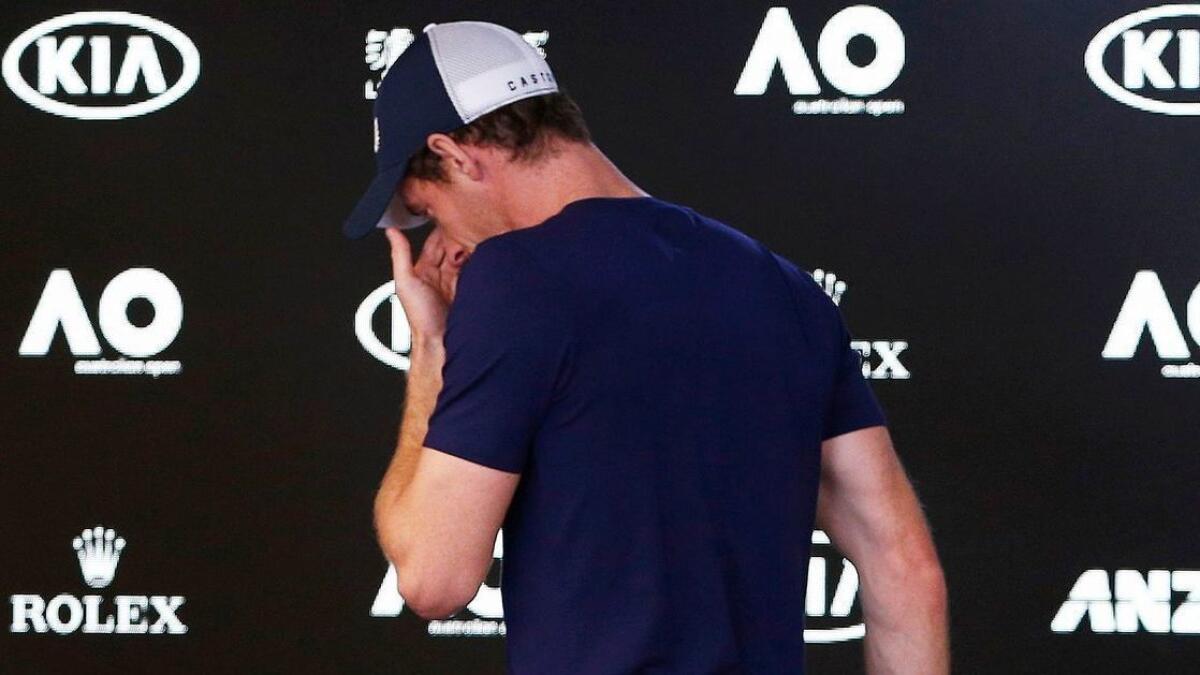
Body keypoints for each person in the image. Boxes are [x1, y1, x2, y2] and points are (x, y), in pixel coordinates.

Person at [343, 20, 948, 675]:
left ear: (456, 154)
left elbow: (433, 577)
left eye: (427, 207)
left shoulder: (517, 279)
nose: (442, 235)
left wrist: (433, 345)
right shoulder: (785, 287)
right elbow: (903, 565)